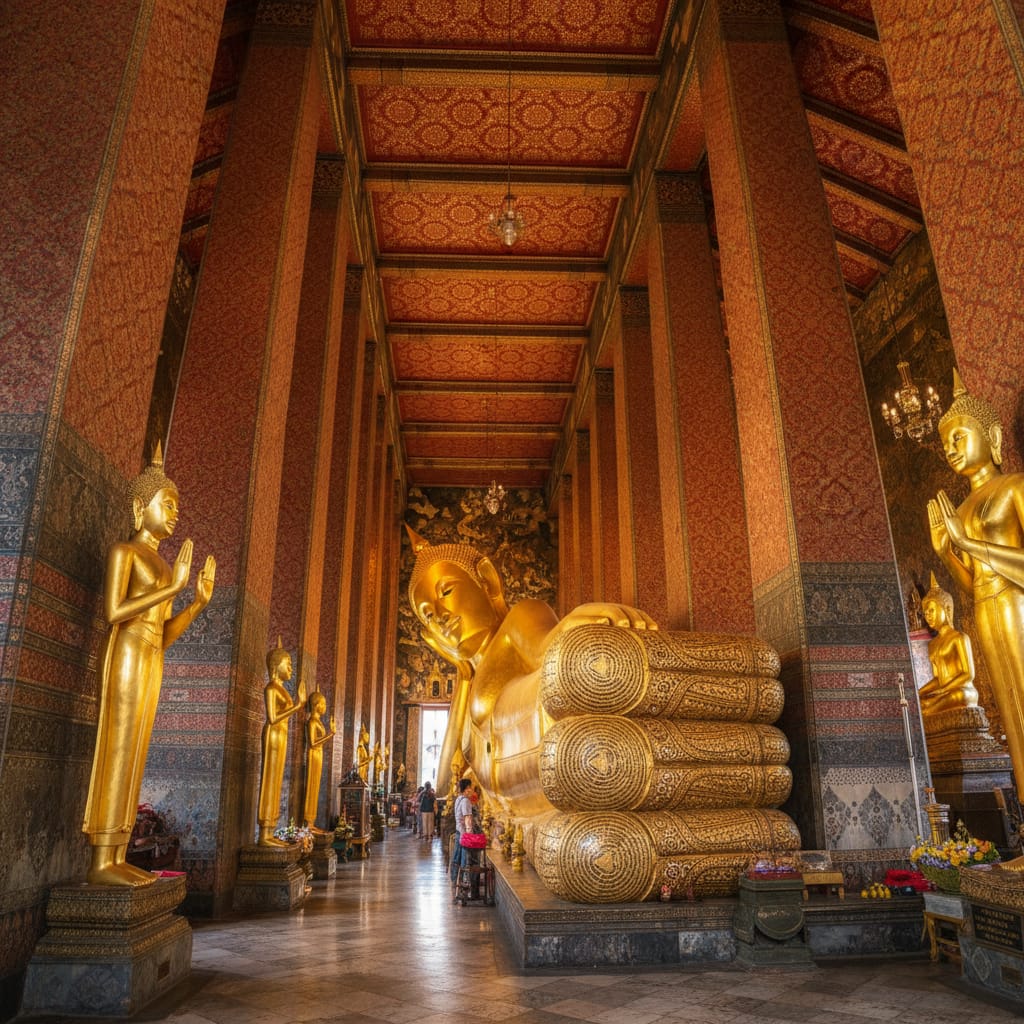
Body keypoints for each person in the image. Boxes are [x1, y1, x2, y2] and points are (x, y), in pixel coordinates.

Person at [405, 524, 800, 903]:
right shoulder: (470, 678)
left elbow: (547, 646)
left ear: (487, 580)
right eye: (426, 615)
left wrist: (576, 622)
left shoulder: (517, 619)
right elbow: (444, 781)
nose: (438, 614)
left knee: (577, 666)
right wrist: (459, 670)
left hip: (564, 739)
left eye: (446, 592)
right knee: (573, 847)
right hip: (546, 778)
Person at [82, 445, 215, 886]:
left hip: (151, 655)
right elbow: (115, 612)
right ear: (142, 507)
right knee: (119, 745)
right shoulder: (127, 552)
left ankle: (118, 854)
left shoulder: (162, 563)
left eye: (177, 506)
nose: (175, 513)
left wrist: (195, 602)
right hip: (125, 654)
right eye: (168, 504)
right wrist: (171, 587)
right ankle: (102, 858)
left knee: (136, 748)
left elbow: (164, 632)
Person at [929, 369, 1024, 791]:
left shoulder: (1014, 487)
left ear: (993, 437)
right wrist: (946, 553)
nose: (950, 449)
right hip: (986, 608)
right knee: (1009, 711)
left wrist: (970, 543)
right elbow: (970, 587)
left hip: (1017, 603)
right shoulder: (962, 509)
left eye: (959, 437)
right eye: (945, 442)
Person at [256, 640, 306, 846]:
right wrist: (298, 706)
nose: (291, 669)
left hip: (282, 736)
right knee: (270, 779)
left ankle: (271, 829)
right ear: (276, 666)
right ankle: (264, 833)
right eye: (289, 664)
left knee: (276, 781)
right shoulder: (271, 688)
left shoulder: (282, 689)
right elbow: (273, 717)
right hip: (273, 735)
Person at [916, 572, 979, 718]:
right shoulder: (932, 644)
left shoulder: (959, 637)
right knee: (920, 704)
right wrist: (918, 693)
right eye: (925, 613)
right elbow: (938, 678)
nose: (928, 616)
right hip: (944, 693)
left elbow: (968, 674)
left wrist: (943, 690)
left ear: (946, 609)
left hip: (962, 691)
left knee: (933, 707)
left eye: (931, 610)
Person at [302, 690, 336, 830]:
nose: (325, 707)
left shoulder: (318, 722)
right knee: (311, 785)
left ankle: (311, 821)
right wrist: (330, 734)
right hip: (313, 754)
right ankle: (308, 822)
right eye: (323, 704)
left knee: (315, 786)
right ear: (316, 705)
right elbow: (313, 742)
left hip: (318, 754)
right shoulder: (312, 722)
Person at [450, 777, 479, 898]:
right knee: (465, 861)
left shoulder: (458, 799)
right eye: (470, 787)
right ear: (466, 789)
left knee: (456, 859)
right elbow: (467, 819)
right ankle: (464, 886)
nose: (471, 790)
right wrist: (470, 835)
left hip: (458, 832)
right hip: (464, 835)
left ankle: (454, 883)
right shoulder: (466, 801)